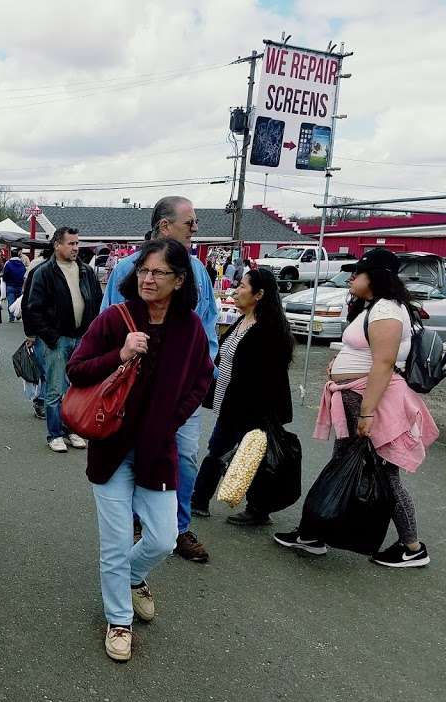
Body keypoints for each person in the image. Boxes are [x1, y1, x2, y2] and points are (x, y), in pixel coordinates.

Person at [68, 238, 214, 662]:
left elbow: (202, 378)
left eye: (159, 273)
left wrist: (173, 418)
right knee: (114, 543)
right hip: (111, 448)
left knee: (164, 539)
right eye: (144, 271)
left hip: (158, 451)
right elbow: (76, 369)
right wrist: (120, 353)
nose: (148, 279)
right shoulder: (116, 319)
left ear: (179, 279)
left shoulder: (189, 327)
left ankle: (132, 578)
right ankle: (119, 620)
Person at [275, 248, 437, 567]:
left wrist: (367, 412)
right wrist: (340, 364)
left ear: (375, 277)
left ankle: (412, 546)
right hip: (357, 396)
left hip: (370, 400)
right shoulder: (375, 307)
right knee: (346, 465)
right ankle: (315, 532)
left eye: (358, 273)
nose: (351, 277)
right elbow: (366, 351)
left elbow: (385, 362)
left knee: (383, 473)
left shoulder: (387, 310)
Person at [101, 196, 217, 563]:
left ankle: (177, 527)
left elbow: (209, 329)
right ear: (165, 226)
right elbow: (107, 327)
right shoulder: (127, 270)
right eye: (190, 222)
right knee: (130, 455)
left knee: (183, 455)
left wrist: (198, 378)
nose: (195, 227)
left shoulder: (197, 271)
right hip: (133, 391)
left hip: (180, 394)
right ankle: (137, 524)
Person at [190, 269, 295, 524]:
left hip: (252, 408)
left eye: (243, 287)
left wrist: (256, 412)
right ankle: (201, 500)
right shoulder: (244, 319)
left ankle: (254, 509)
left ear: (259, 294)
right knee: (223, 451)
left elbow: (270, 377)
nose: (236, 291)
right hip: (231, 402)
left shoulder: (270, 329)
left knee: (245, 454)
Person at [25, 226, 103, 453]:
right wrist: (51, 336)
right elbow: (33, 308)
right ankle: (55, 433)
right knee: (55, 388)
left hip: (81, 339)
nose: (76, 248)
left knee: (76, 389)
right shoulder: (44, 272)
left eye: (77, 243)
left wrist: (92, 334)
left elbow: (97, 303)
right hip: (56, 340)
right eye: (71, 243)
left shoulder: (87, 271)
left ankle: (72, 429)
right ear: (57, 245)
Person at [20, 247, 51, 419]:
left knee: (56, 370)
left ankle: (47, 401)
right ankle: (42, 400)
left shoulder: (78, 271)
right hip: (43, 330)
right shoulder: (39, 271)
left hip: (65, 331)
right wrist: (30, 332)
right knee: (47, 369)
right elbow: (28, 303)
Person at [2, 249, 26, 321]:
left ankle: (11, 317)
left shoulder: (8, 263)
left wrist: (5, 281)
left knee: (11, 301)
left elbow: (4, 274)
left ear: (11, 255)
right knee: (18, 302)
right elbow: (24, 274)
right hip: (20, 285)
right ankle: (18, 315)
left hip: (10, 285)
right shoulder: (22, 264)